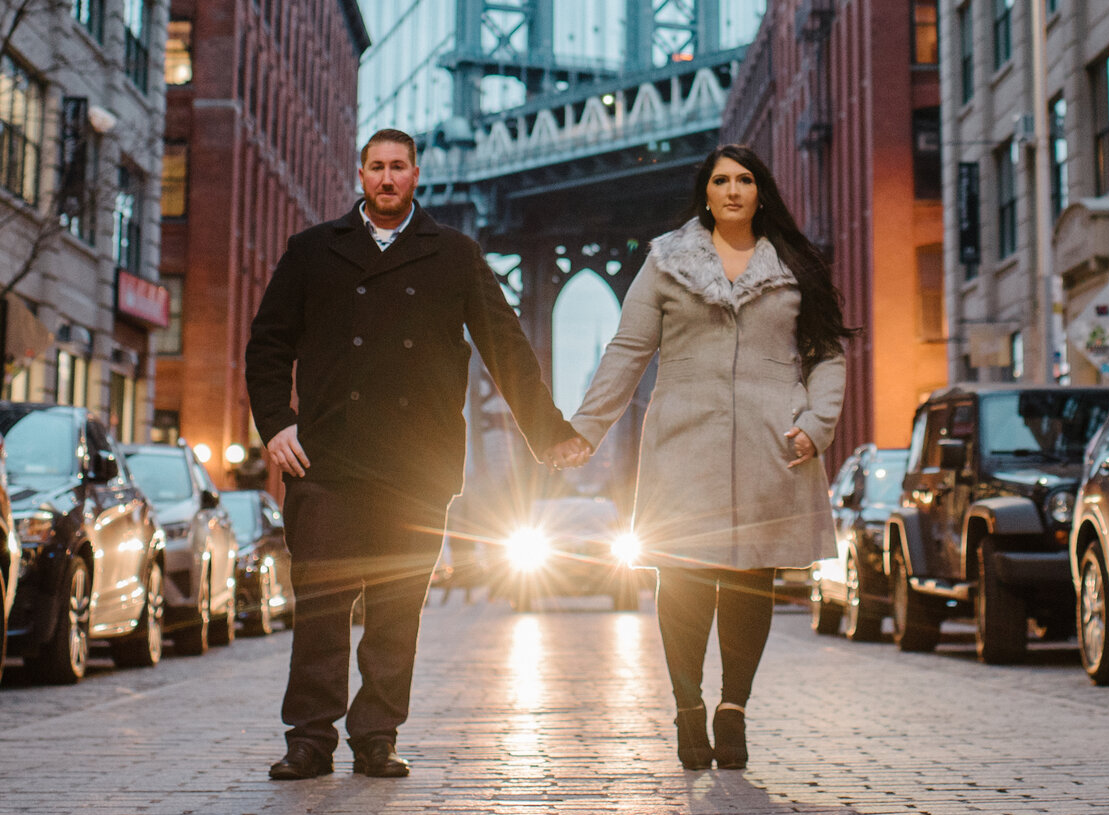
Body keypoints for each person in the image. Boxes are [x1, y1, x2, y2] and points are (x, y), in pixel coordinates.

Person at [246, 128, 585, 781]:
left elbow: (504, 346)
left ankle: (376, 735)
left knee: (397, 609)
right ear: (362, 174)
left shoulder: (454, 253)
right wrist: (276, 424)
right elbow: (267, 345)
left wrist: (549, 431)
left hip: (414, 465)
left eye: (398, 166)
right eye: (376, 166)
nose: (387, 177)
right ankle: (310, 739)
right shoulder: (313, 250)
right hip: (326, 461)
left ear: (416, 174)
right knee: (321, 605)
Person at [557, 143, 851, 771]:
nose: (734, 190)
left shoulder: (796, 264)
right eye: (722, 180)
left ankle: (733, 710)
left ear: (761, 191)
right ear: (706, 193)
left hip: (773, 446)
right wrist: (585, 430)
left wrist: (815, 426)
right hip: (683, 442)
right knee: (684, 581)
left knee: (751, 583)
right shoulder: (666, 263)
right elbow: (628, 351)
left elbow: (827, 351)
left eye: (746, 179)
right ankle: (688, 708)